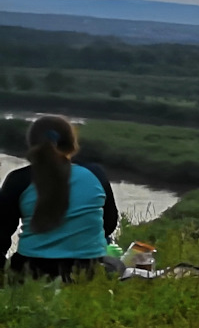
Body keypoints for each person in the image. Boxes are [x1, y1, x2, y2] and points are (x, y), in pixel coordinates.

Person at [2, 115, 119, 281]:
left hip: (31, 271)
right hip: (86, 272)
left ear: (32, 143)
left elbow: (1, 234)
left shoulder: (19, 180)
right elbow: (109, 224)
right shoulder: (95, 174)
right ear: (72, 144)